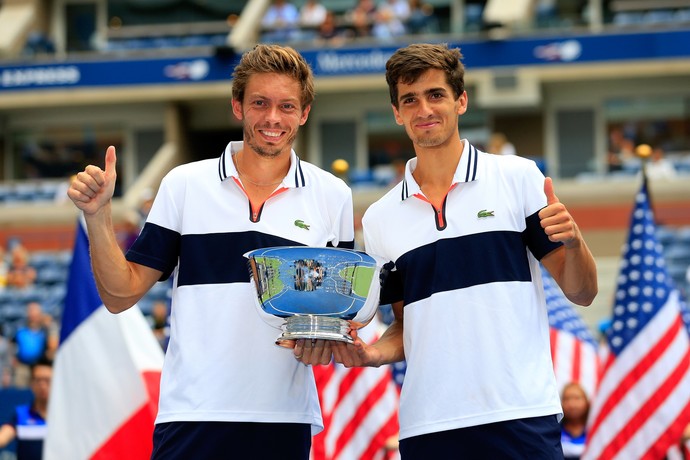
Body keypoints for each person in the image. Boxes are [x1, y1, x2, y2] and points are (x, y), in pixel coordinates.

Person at [66, 44, 354, 459]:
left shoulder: (333, 196)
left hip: (285, 419)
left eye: (287, 106)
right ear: (237, 106)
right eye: (260, 103)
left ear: (304, 113)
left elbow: (337, 315)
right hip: (192, 415)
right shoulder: (184, 185)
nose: (273, 118)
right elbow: (119, 295)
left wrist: (325, 339)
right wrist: (98, 216)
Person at [326, 43, 598, 458]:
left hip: (520, 414)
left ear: (461, 101)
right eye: (410, 100)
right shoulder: (380, 219)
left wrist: (575, 243)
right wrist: (374, 352)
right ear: (397, 113)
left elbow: (583, 293)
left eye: (436, 94)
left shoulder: (517, 178)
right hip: (428, 424)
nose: (424, 109)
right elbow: (405, 327)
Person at [0, 358, 52, 460]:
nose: (42, 385)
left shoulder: (66, 417)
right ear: (31, 383)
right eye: (38, 380)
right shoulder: (20, 414)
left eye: (47, 380)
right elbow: (3, 437)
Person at [12, 302, 55, 388]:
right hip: (23, 367)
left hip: (41, 365)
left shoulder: (45, 331)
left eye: (35, 312)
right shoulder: (20, 330)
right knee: (21, 389)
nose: (32, 315)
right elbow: (12, 346)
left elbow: (53, 346)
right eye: (30, 311)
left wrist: (50, 326)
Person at [560, 382, 589, 460]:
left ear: (587, 402)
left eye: (577, 398)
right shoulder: (554, 431)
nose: (572, 404)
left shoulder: (595, 429)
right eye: (567, 399)